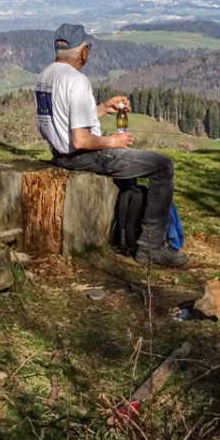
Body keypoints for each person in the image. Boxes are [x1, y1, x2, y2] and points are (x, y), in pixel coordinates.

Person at [34, 22, 189, 267]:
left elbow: (64, 122)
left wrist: (104, 108)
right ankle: (151, 247)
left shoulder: (46, 76)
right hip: (86, 156)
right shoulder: (77, 81)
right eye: (88, 48)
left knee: (136, 174)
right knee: (163, 167)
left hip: (59, 153)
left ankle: (124, 233)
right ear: (83, 51)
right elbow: (80, 139)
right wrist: (112, 141)